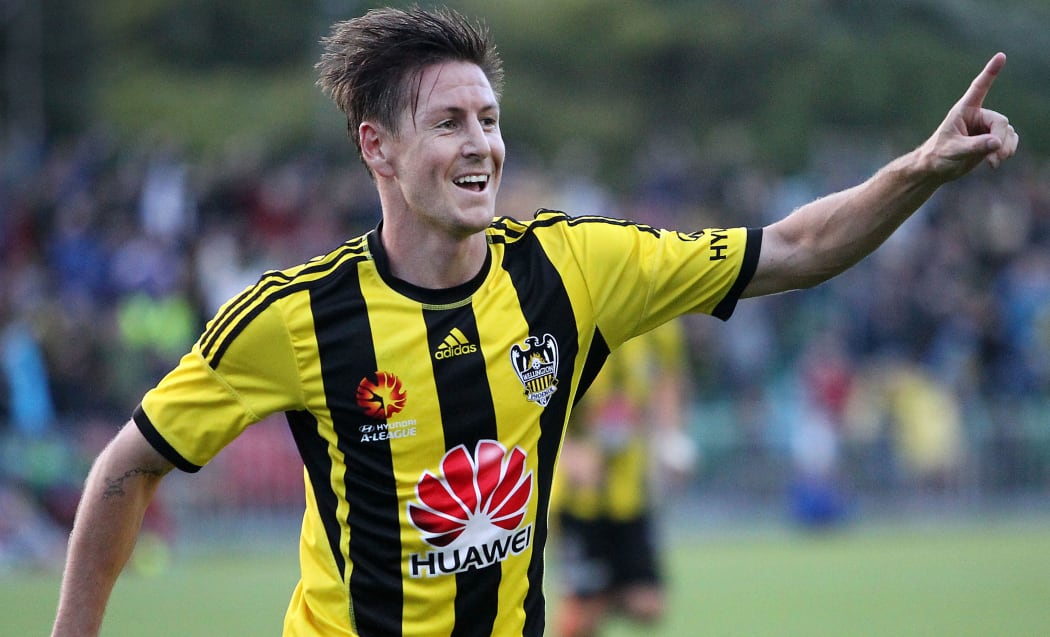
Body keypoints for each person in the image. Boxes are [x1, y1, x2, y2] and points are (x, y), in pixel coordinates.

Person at [51, 5, 1017, 637]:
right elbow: (126, 467)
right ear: (376, 148)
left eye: (489, 118)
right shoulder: (297, 315)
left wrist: (919, 170)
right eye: (449, 123)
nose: (482, 144)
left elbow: (797, 248)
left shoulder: (572, 267)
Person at [552, 318, 695, 637]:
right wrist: (569, 453)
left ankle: (595, 595)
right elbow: (538, 400)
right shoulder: (568, 316)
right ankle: (585, 602)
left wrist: (672, 440)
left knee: (649, 605)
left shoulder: (659, 321)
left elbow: (669, 377)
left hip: (631, 494)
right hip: (578, 501)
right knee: (582, 621)